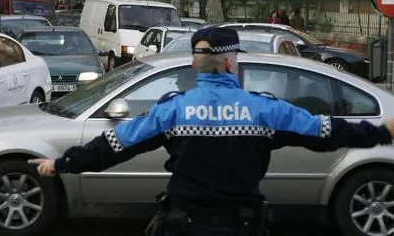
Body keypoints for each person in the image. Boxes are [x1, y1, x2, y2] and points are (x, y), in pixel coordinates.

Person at [28, 27, 394, 236]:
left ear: (195, 63)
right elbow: (327, 131)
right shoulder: (265, 111)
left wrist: (60, 164)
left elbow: (113, 145)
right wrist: (383, 131)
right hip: (242, 226)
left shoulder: (172, 110)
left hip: (182, 226)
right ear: (232, 60)